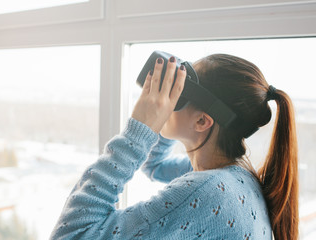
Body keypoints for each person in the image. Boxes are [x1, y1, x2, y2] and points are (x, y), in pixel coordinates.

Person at [50, 53, 298, 240]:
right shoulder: (237, 177)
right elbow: (155, 167)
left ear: (202, 121)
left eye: (180, 94)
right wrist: (162, 120)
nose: (170, 96)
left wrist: (139, 130)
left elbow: (73, 234)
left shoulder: (208, 191)